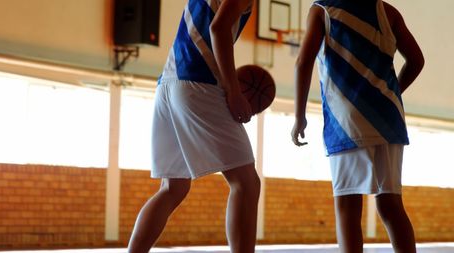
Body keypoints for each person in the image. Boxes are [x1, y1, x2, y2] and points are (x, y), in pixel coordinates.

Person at [127, 0, 260, 252]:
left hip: (168, 84)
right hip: (198, 84)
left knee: (172, 187)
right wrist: (233, 90)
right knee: (246, 183)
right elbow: (219, 28)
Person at [291, 0, 424, 252]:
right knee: (391, 205)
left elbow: (302, 62)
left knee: (347, 208)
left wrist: (299, 116)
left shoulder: (322, 9)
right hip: (389, 120)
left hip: (347, 121)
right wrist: (392, 94)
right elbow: (417, 61)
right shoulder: (388, 11)